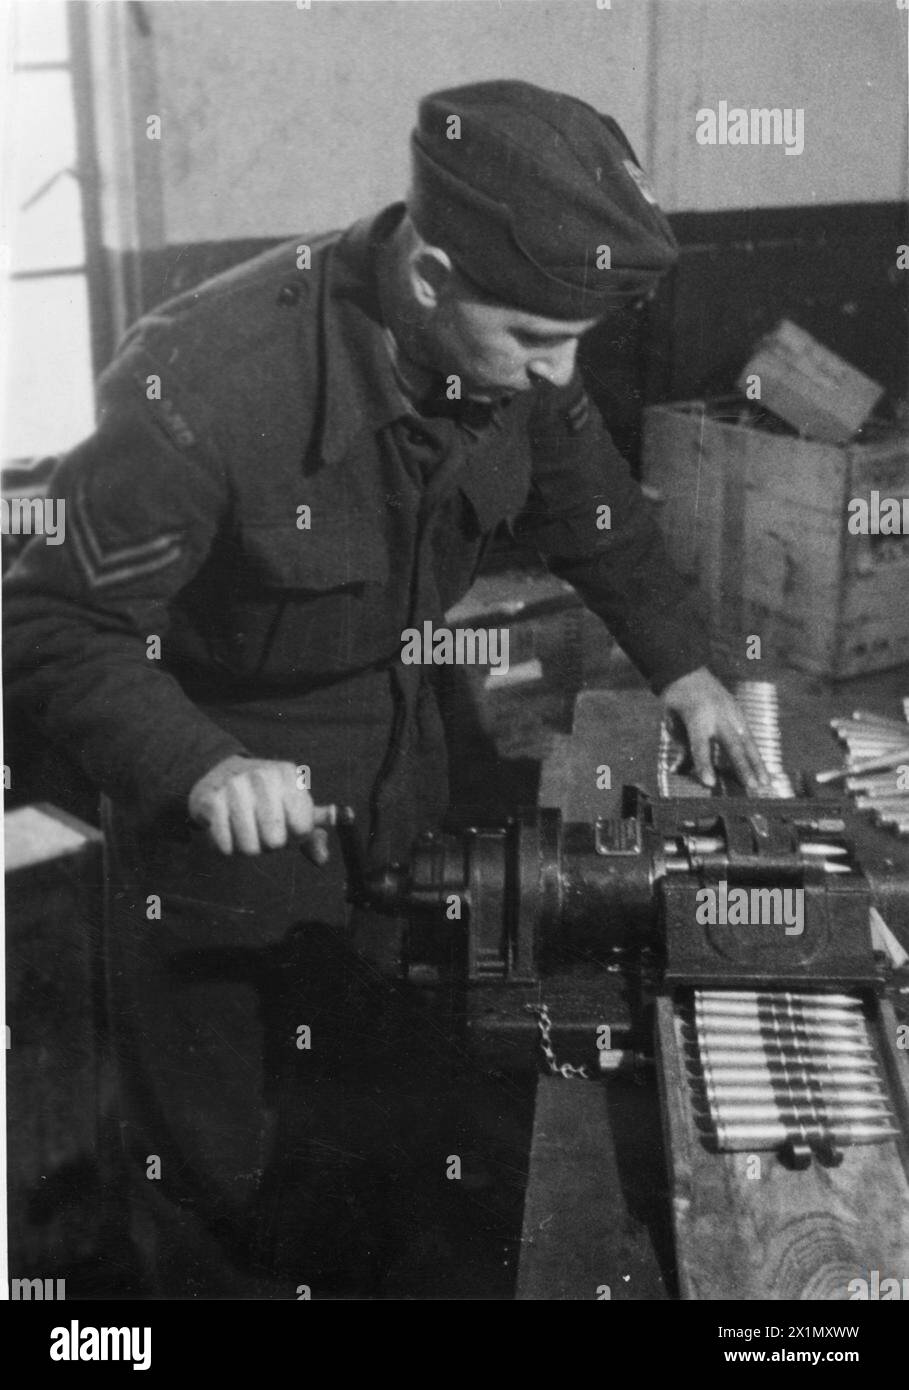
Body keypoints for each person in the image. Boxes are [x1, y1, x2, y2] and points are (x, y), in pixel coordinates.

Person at [3, 79, 768, 1298]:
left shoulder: (515, 340)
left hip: (405, 796)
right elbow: (49, 622)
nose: (555, 376)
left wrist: (686, 666)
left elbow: (598, 514)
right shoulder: (203, 381)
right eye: (531, 343)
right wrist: (202, 765)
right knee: (218, 1181)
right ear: (428, 279)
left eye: (570, 346)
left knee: (377, 1136)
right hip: (221, 843)